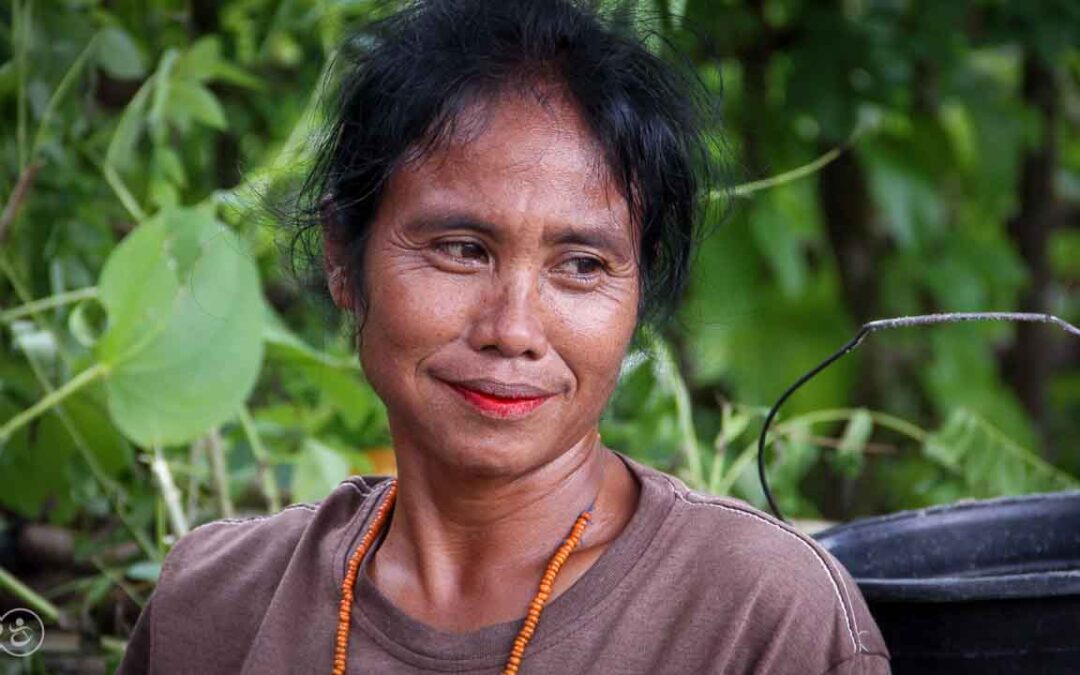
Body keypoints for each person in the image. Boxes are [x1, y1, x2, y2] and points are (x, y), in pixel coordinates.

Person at [118, 1, 890, 673]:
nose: (514, 330)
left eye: (582, 265)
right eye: (462, 248)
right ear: (342, 260)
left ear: (638, 292)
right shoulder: (214, 609)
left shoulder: (756, 616)